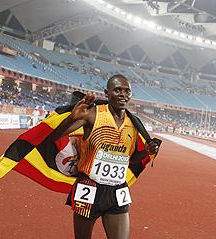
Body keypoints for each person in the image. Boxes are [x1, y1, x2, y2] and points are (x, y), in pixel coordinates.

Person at [49, 74, 161, 239]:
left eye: (127, 91)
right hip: (89, 186)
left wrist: (146, 151)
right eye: (117, 90)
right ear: (106, 93)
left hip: (117, 190)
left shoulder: (134, 123)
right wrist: (72, 117)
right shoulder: (93, 115)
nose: (123, 94)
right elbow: (54, 137)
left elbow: (130, 160)